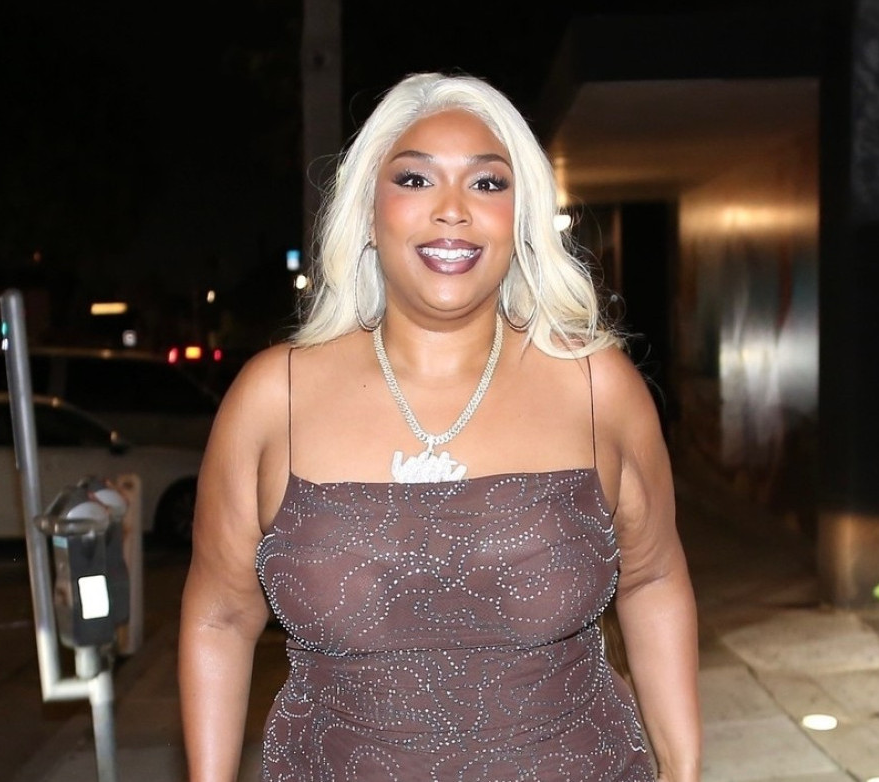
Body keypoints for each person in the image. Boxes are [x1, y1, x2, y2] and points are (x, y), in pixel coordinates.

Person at [179, 72, 700, 782]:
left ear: (520, 218)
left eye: (487, 183)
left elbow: (653, 578)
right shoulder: (275, 399)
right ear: (368, 212)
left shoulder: (596, 387)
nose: (452, 209)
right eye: (415, 179)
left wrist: (683, 769)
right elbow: (218, 617)